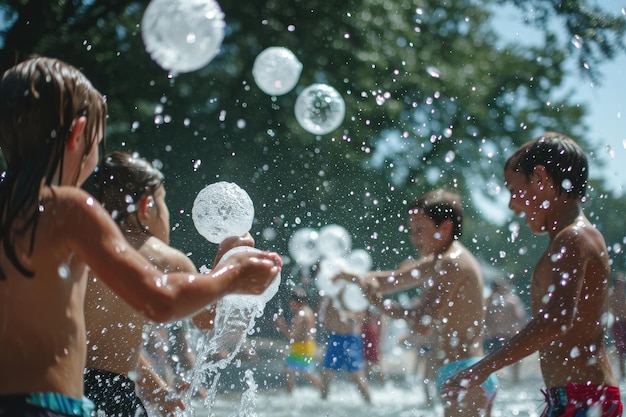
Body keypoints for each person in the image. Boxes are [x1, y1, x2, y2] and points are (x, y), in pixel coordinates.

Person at [0, 56, 282, 417]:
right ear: (77, 135)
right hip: (48, 407)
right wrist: (232, 276)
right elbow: (160, 300)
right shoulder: (67, 209)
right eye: (97, 142)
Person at [442, 132, 623, 417]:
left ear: (541, 179)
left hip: (585, 399)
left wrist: (482, 368)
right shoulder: (567, 239)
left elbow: (556, 319)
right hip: (574, 397)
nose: (512, 205)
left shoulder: (574, 238)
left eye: (515, 191)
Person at [85, 151, 247, 416]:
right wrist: (225, 260)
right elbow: (207, 320)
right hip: (115, 394)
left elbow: (105, 348)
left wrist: (155, 388)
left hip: (66, 387)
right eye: (164, 202)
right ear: (146, 207)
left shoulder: (85, 250)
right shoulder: (165, 259)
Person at [339, 189, 497, 416]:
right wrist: (353, 277)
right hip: (464, 371)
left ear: (445, 228)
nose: (414, 237)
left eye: (420, 230)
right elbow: (392, 279)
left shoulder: (452, 264)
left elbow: (421, 321)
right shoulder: (440, 260)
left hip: (466, 372)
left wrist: (380, 304)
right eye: (412, 230)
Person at [317, 290, 372, 403]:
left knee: (357, 375)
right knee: (327, 373)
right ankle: (322, 403)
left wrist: (349, 315)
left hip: (350, 339)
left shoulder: (353, 293)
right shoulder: (330, 293)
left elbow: (362, 316)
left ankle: (370, 403)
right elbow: (323, 316)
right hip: (335, 337)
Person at [274, 287, 322, 393]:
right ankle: (290, 393)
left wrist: (282, 326)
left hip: (303, 347)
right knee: (289, 370)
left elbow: (292, 336)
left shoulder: (301, 315)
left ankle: (323, 390)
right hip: (305, 346)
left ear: (297, 302)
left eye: (292, 303)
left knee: (307, 372)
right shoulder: (307, 311)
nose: (291, 306)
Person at [483, 279, 527, 383]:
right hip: (505, 335)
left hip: (499, 335)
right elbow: (520, 317)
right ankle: (514, 380)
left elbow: (519, 318)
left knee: (496, 361)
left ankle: (509, 380)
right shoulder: (512, 301)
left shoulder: (489, 301)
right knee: (513, 359)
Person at [361, 306, 386, 386]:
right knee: (367, 366)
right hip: (364, 334)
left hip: (370, 335)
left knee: (374, 365)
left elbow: (381, 321)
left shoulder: (372, 303)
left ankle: (383, 386)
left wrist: (380, 341)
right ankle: (382, 386)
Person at [609, 272, 626, 380]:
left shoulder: (624, 295)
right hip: (616, 324)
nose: (621, 284)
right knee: (620, 350)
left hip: (625, 322)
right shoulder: (611, 295)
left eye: (622, 282)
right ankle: (623, 373)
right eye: (619, 282)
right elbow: (607, 310)